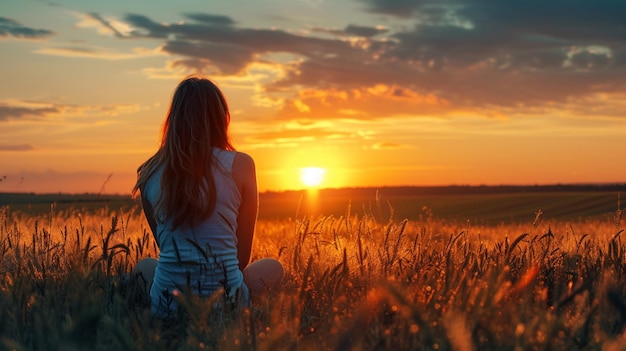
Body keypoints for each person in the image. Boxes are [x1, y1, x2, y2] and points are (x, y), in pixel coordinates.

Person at [132, 76, 283, 319]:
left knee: (146, 266)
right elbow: (241, 257)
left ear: (174, 119)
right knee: (273, 267)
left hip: (166, 306)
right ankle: (235, 301)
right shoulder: (241, 165)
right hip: (227, 304)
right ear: (220, 118)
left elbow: (167, 247)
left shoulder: (149, 171)